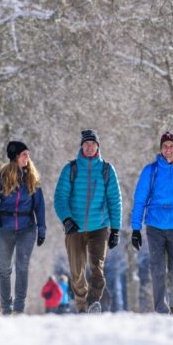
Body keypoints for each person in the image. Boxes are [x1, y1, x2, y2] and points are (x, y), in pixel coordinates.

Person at [130, 131, 173, 315]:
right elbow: (139, 200)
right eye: (165, 146)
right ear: (160, 149)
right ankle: (161, 309)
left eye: (171, 146)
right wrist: (135, 229)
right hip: (155, 227)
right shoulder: (150, 171)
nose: (168, 150)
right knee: (158, 269)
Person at [53, 130, 122, 313]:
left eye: (93, 144)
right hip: (74, 228)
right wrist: (67, 219)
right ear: (82, 146)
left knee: (97, 271)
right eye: (86, 144)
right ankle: (82, 307)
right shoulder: (71, 169)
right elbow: (60, 197)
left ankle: (93, 303)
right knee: (77, 273)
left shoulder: (107, 170)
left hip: (99, 227)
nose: (90, 147)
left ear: (98, 146)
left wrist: (115, 229)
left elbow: (114, 200)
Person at [0, 141, 46, 315]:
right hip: (4, 229)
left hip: (27, 228)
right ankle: (6, 309)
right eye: (24, 154)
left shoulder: (32, 178)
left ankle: (18, 309)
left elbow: (39, 206)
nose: (27, 157)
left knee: (22, 267)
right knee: (5, 269)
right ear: (15, 157)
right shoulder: (2, 177)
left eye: (28, 153)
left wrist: (41, 230)